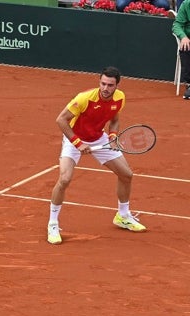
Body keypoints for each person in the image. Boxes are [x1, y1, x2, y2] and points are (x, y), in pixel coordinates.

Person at [47, 67, 146, 245]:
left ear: (117, 85)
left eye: (110, 85)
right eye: (103, 83)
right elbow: (61, 120)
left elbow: (114, 119)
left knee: (126, 175)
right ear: (99, 82)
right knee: (64, 179)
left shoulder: (119, 98)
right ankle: (53, 224)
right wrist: (78, 143)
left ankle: (122, 216)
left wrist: (113, 136)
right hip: (74, 139)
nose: (105, 88)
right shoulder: (84, 98)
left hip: (99, 139)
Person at [173, 0, 190, 99]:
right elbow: (177, 25)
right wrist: (183, 36)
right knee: (185, 47)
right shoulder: (186, 4)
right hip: (188, 41)